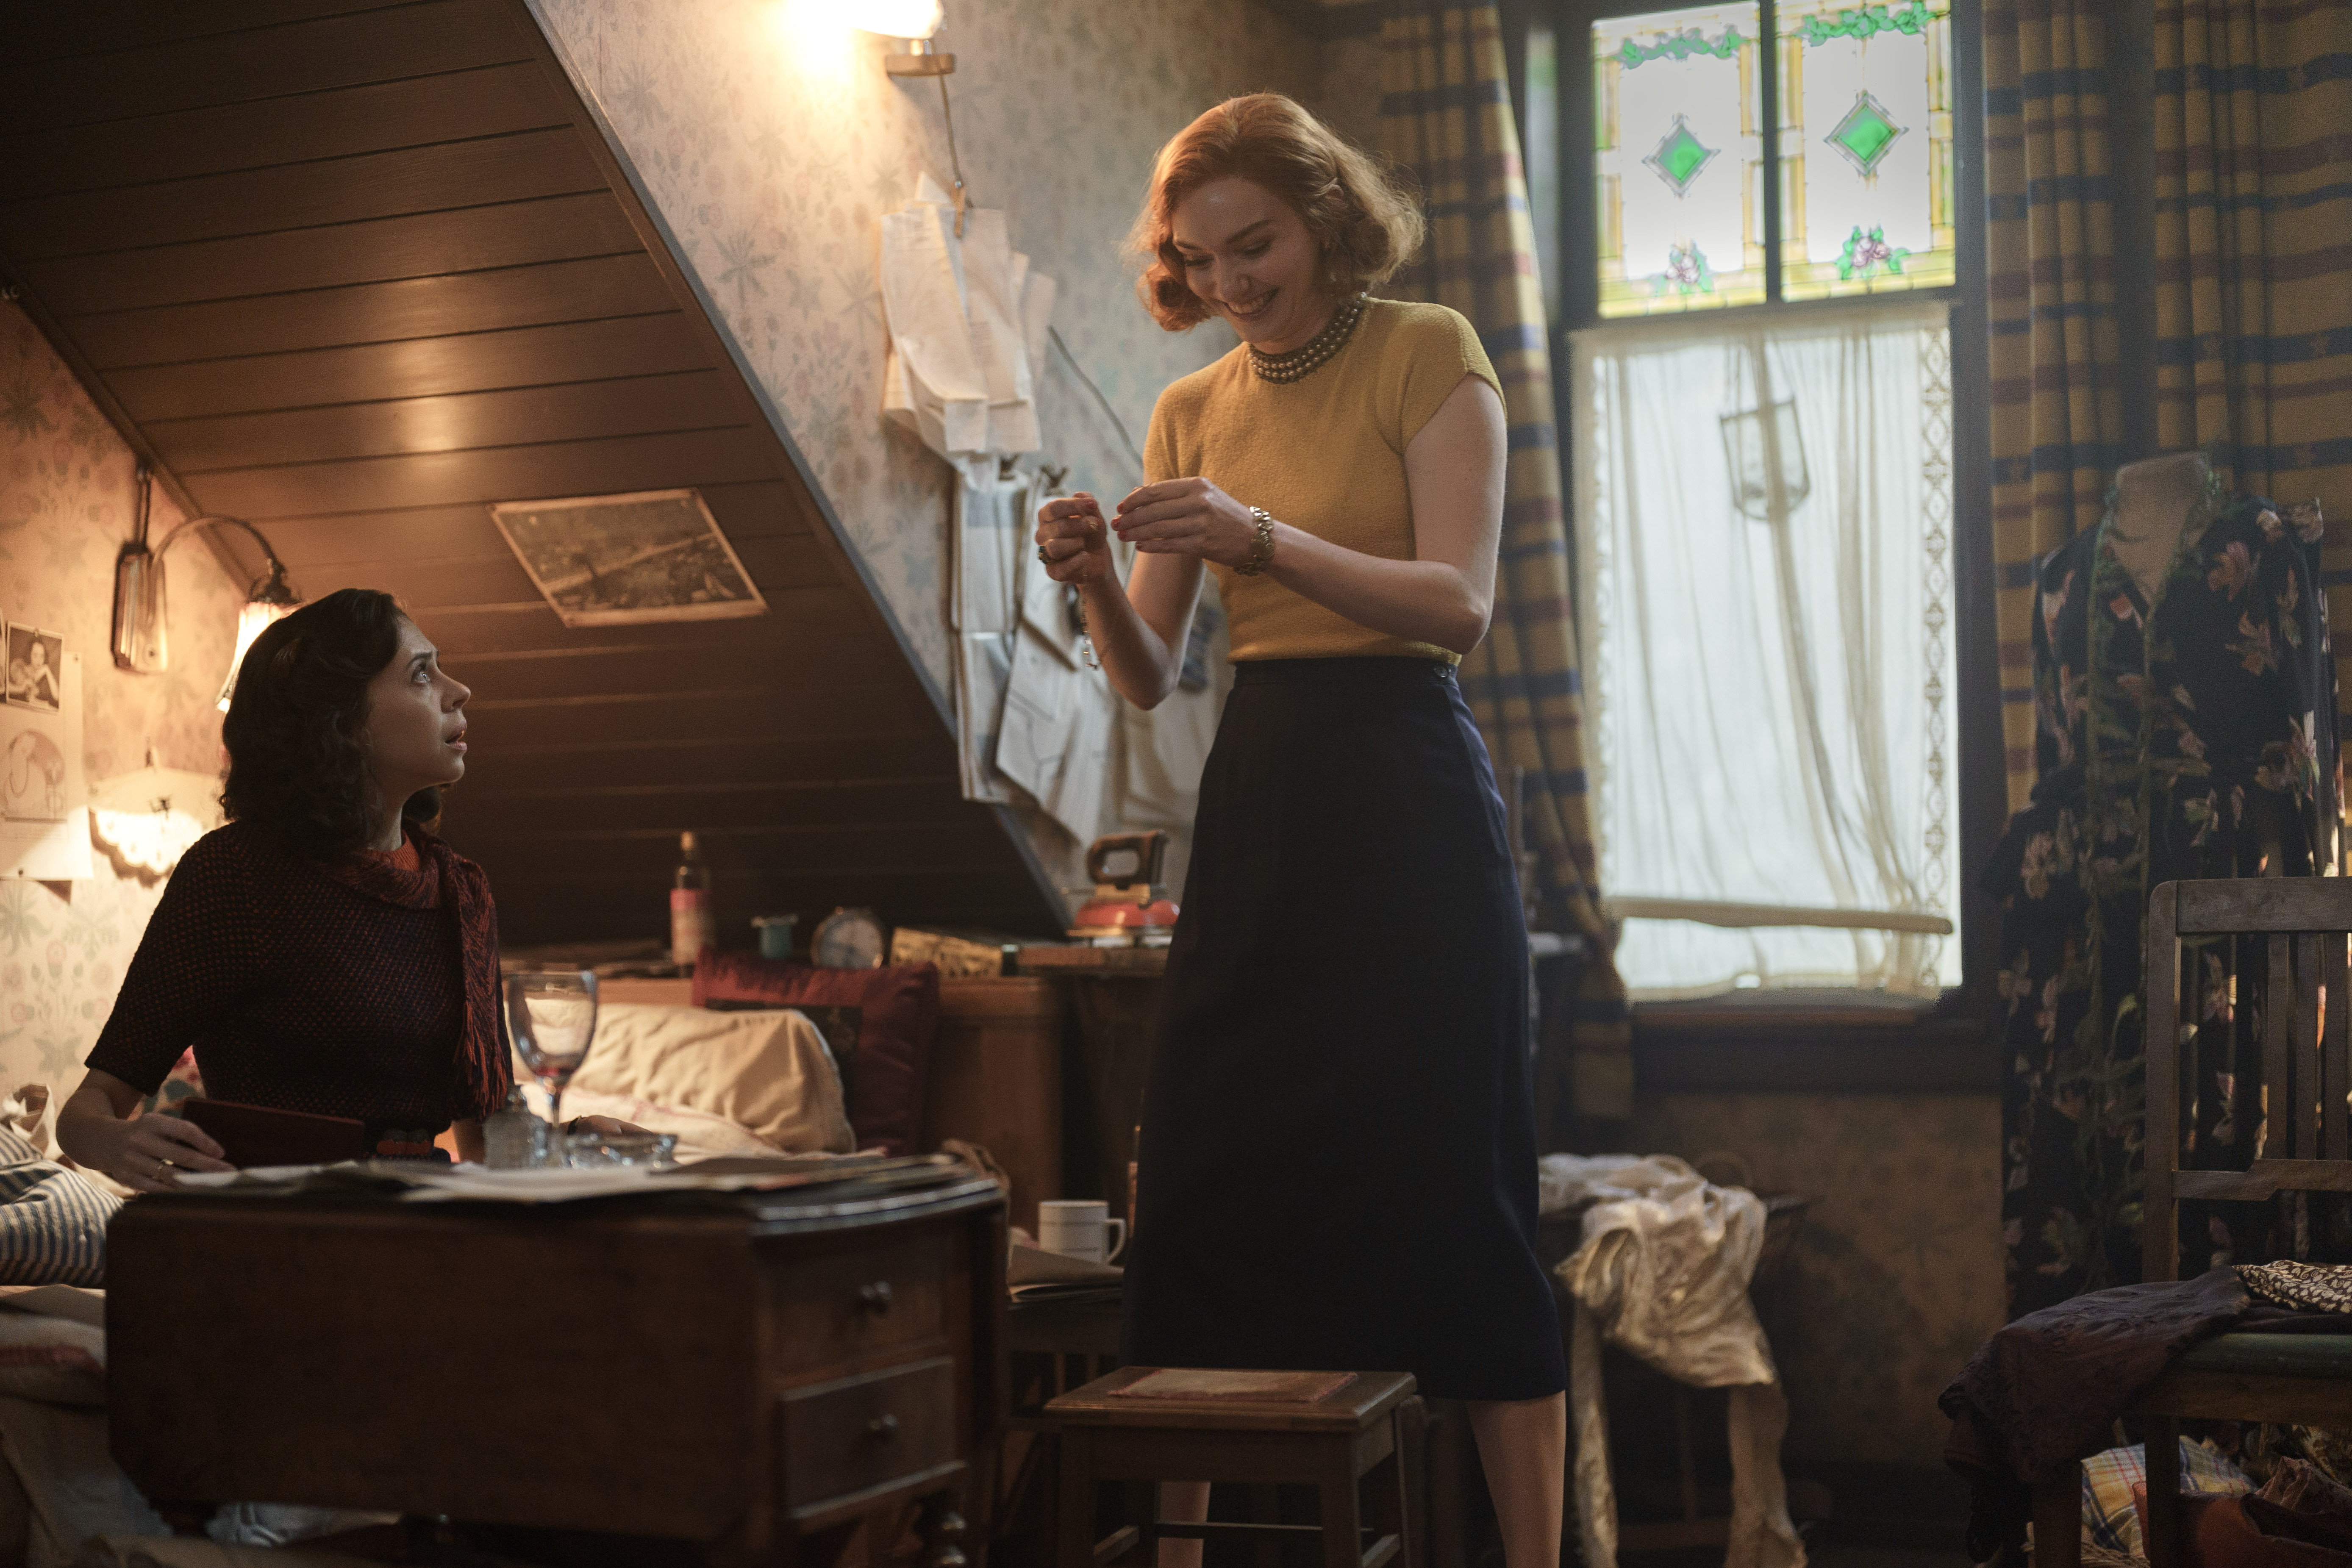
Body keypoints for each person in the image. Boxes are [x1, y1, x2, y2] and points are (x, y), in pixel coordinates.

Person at [1033, 94, 1568, 1568]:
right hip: (1261, 799)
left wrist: (1254, 534)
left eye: (1253, 244)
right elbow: (1150, 677)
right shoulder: (1190, 408)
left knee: (1457, 1195)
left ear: (1326, 219)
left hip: (1407, 794)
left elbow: (1457, 606)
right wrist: (1094, 577)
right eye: (1198, 261)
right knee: (1205, 1198)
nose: (1228, 282)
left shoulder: (1428, 349)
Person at [58, 589, 511, 1189]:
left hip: (417, 1210)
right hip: (272, 1214)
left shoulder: (462, 892)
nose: (460, 691)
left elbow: (488, 1138)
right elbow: (87, 1111)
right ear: (344, 720)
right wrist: (118, 1143)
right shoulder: (235, 877)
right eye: (421, 674)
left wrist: (585, 1139)